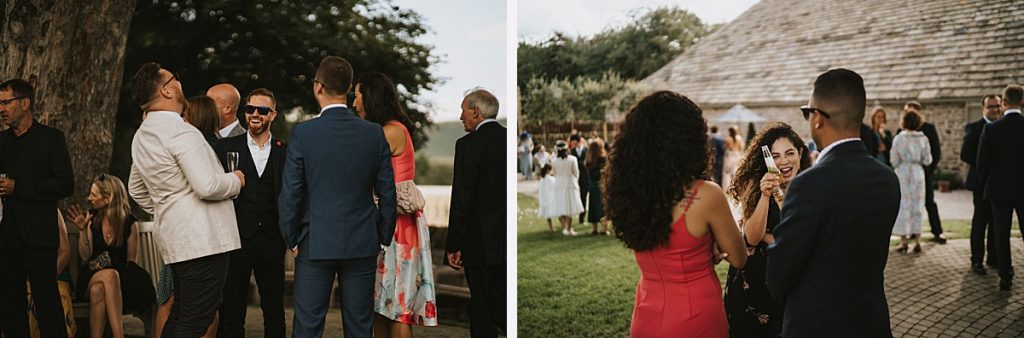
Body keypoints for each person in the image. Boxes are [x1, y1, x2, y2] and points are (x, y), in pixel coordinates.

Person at [765, 69, 900, 336]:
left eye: (807, 112)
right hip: (871, 322)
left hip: (817, 324)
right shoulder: (887, 179)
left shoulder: (808, 185)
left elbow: (778, 276)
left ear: (817, 118)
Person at [604, 91, 746, 338]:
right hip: (695, 317)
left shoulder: (631, 194)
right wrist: (713, 243)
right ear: (689, 141)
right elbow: (739, 258)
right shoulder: (706, 196)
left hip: (646, 314)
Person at [279, 56, 397, 337]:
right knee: (359, 327)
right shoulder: (373, 134)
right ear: (349, 90)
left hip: (314, 242)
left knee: (307, 327)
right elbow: (387, 191)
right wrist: (382, 236)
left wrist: (292, 238)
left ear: (317, 87)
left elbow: (291, 192)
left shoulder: (304, 133)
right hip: (362, 242)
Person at [127, 63, 245, 337]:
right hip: (204, 242)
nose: (180, 82)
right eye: (174, 78)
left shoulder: (142, 135)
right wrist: (236, 180)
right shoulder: (182, 131)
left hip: (177, 240)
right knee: (194, 321)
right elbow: (208, 185)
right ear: (166, 89)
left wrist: (169, 206)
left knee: (182, 315)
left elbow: (136, 189)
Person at [352, 72, 438, 337]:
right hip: (390, 223)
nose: (353, 104)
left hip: (397, 227)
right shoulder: (388, 129)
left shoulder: (390, 132)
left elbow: (357, 170)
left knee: (398, 306)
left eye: (356, 96)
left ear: (371, 97)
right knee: (381, 304)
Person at [0, 78, 75, 338]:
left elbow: (65, 184)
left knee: (47, 306)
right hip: (5, 238)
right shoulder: (1, 142)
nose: (1, 108)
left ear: (25, 102)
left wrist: (19, 187)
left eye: (6, 102)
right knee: (11, 309)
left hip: (38, 238)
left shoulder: (51, 139)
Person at [723, 122, 811, 337]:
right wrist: (765, 195)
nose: (784, 162)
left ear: (800, 153)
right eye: (776, 156)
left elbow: (806, 235)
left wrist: (773, 238)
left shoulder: (809, 187)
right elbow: (752, 237)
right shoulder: (756, 184)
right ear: (767, 159)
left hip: (790, 278)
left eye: (789, 153)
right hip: (755, 276)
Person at [213, 88, 287, 337]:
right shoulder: (225, 148)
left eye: (262, 110)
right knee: (232, 313)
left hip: (272, 240)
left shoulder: (283, 151)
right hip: (235, 240)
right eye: (250, 109)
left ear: (273, 115)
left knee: (275, 313)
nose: (255, 114)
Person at [154, 95, 222, 338]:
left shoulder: (191, 148)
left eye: (184, 116)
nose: (180, 120)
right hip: (206, 240)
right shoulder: (210, 147)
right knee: (201, 307)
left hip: (183, 237)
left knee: (172, 301)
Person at [445, 88, 506, 338]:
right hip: (506, 241)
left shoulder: (468, 145)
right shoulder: (508, 138)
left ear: (475, 111)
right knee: (503, 304)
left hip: (479, 244)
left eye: (463, 111)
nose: (461, 117)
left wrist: (453, 245)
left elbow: (462, 199)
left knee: (481, 310)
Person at [67, 175, 155, 338]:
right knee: (108, 276)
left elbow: (131, 264)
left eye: (94, 195)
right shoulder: (92, 219)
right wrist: (82, 230)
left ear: (108, 199)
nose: (89, 198)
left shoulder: (129, 223)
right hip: (90, 276)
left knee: (98, 290)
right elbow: (86, 257)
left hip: (117, 283)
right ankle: (118, 335)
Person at [977, 84, 1024, 291]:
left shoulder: (991, 128)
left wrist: (989, 182)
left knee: (1001, 233)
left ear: (1003, 103)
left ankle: (1005, 276)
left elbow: (981, 164)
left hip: (998, 189)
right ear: (1022, 102)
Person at [962, 94, 1002, 275]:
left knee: (996, 222)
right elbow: (965, 154)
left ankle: (993, 258)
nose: (994, 110)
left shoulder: (1003, 127)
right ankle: (976, 261)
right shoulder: (974, 128)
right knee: (980, 222)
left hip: (999, 184)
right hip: (980, 183)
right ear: (983, 108)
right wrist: (986, 163)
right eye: (991, 106)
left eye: (997, 106)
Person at [26, 210, 77, 338]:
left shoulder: (52, 210)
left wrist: (43, 278)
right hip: (23, 277)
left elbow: (65, 253)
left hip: (54, 275)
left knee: (57, 295)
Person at [890, 110, 932, 254]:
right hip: (917, 173)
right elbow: (928, 160)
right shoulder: (923, 138)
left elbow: (893, 160)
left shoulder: (898, 139)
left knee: (903, 206)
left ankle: (904, 242)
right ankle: (918, 241)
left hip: (902, 172)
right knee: (918, 206)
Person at [904, 100, 946, 244]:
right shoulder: (901, 132)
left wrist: (928, 170)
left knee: (929, 202)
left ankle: (937, 231)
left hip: (924, 173)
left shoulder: (928, 128)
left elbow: (936, 152)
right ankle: (911, 232)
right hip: (907, 176)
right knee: (909, 203)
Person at [550, 141, 585, 236]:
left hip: (559, 185)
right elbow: (576, 172)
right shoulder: (572, 159)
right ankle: (568, 228)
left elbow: (555, 173)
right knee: (570, 207)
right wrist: (575, 182)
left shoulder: (553, 161)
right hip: (570, 184)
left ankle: (565, 228)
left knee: (560, 206)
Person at [585, 139, 608, 235]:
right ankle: (604, 229)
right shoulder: (602, 158)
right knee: (603, 206)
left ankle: (594, 229)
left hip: (592, 183)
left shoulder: (589, 159)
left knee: (593, 206)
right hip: (601, 183)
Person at [569, 134, 590, 225]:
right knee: (579, 198)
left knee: (584, 197)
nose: (573, 143)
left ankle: (583, 217)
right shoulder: (572, 151)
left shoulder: (586, 150)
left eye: (574, 141)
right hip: (576, 177)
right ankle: (580, 217)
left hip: (586, 176)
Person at [536, 164, 557, 231]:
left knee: (547, 214)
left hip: (544, 198)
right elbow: (554, 187)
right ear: (548, 170)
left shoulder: (542, 179)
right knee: (553, 212)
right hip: (550, 198)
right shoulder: (551, 179)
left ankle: (550, 227)